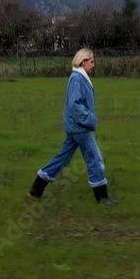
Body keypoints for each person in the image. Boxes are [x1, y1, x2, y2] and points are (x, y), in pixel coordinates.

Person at [26, 48, 117, 205]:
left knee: (62, 158)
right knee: (95, 159)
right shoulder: (77, 78)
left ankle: (36, 190)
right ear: (83, 61)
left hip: (75, 127)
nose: (93, 65)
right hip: (80, 127)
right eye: (92, 61)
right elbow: (75, 105)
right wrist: (90, 119)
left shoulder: (80, 77)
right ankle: (102, 198)